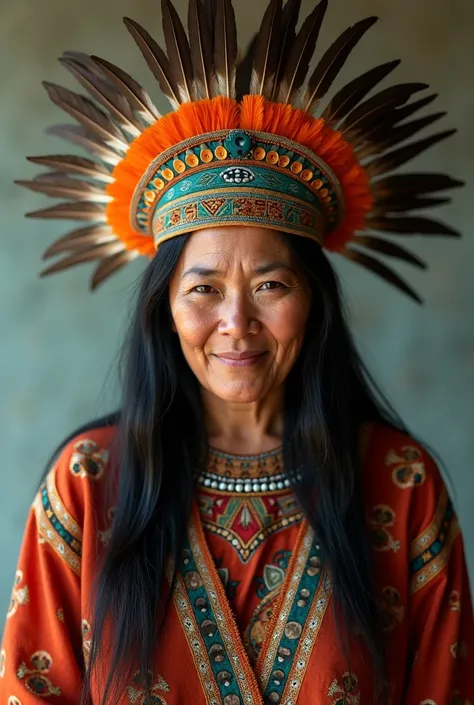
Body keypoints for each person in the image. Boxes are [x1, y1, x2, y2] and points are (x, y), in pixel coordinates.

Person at [1, 0, 472, 703]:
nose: (236, 321)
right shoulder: (89, 484)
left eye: (271, 283)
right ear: (164, 307)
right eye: (203, 287)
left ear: (312, 300)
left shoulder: (399, 484)